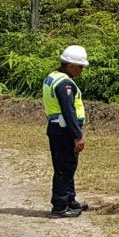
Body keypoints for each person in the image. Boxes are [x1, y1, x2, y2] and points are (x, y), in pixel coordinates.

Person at [43, 45, 89, 218]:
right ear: (70, 65)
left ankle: (70, 199)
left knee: (67, 166)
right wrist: (77, 136)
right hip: (64, 130)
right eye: (81, 66)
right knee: (64, 167)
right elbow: (69, 111)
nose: (82, 70)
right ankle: (60, 205)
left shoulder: (52, 77)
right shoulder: (65, 84)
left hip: (56, 127)